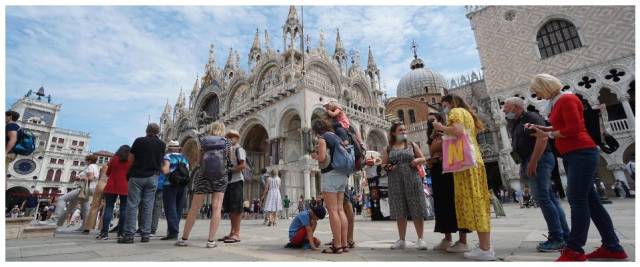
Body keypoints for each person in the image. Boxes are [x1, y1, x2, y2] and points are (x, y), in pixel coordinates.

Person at [528, 73, 628, 261]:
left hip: (581, 152)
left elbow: (574, 129)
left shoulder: (566, 100)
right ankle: (613, 247)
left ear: (545, 86)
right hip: (573, 153)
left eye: (537, 91)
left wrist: (548, 136)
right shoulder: (558, 102)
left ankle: (574, 249)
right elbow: (564, 126)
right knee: (592, 203)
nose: (538, 96)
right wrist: (544, 129)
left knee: (577, 200)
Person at [503, 96, 570, 250]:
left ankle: (557, 238)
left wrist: (533, 161)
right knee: (549, 199)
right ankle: (564, 235)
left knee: (544, 199)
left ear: (515, 107)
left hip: (539, 159)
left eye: (506, 107)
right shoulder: (516, 122)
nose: (504, 110)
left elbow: (542, 139)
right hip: (530, 160)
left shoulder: (531, 117)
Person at [433, 94, 494, 260]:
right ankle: (484, 246)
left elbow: (458, 131)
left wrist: (441, 127)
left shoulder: (456, 112)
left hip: (465, 164)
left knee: (474, 203)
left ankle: (485, 249)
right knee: (479, 202)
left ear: (450, 103)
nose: (443, 108)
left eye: (444, 105)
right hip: (473, 161)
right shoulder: (467, 113)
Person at [176, 122, 230, 248]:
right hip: (221, 176)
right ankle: (211, 241)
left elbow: (200, 160)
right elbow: (228, 159)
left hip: (203, 175)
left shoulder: (203, 140)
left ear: (211, 129)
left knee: (194, 208)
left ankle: (184, 238)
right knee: (217, 207)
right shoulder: (226, 142)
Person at [426, 112, 470, 252]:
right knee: (442, 204)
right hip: (437, 172)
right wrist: (431, 160)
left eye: (433, 120)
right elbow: (433, 153)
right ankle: (447, 238)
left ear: (440, 120)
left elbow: (456, 150)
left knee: (455, 203)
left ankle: (463, 241)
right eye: (428, 122)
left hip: (451, 172)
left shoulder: (449, 131)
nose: (431, 124)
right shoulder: (432, 138)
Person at [381, 121, 428, 251]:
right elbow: (383, 165)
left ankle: (420, 239)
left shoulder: (412, 145)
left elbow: (423, 158)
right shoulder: (388, 148)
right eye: (400, 130)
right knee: (399, 209)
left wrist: (417, 160)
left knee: (416, 207)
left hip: (412, 179)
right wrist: (389, 166)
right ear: (393, 133)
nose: (404, 132)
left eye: (404, 130)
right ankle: (401, 239)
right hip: (395, 180)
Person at [118, 123, 166, 244]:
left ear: (146, 131)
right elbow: (161, 161)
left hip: (137, 176)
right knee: (148, 206)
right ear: (158, 132)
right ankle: (145, 234)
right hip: (153, 177)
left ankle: (129, 235)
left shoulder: (139, 141)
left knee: (132, 205)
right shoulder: (162, 144)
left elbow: (130, 158)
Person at [310, 116, 350, 254]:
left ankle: (337, 245)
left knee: (332, 210)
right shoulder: (337, 137)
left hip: (330, 175)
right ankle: (344, 244)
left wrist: (314, 156)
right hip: (342, 175)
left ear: (317, 130)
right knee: (340, 210)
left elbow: (321, 158)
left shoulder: (323, 139)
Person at [48, 154, 99, 234]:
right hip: (90, 189)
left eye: (86, 160)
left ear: (89, 160)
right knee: (81, 208)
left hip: (83, 189)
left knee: (62, 199)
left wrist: (79, 177)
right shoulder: (96, 167)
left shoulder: (90, 167)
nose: (85, 161)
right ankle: (84, 227)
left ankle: (54, 220)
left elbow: (90, 178)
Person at [215, 130, 246, 243]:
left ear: (237, 138)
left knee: (236, 208)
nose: (229, 139)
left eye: (231, 137)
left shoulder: (239, 149)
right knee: (230, 208)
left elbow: (243, 166)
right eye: (227, 137)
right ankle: (232, 232)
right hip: (228, 181)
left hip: (237, 180)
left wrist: (229, 169)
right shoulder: (228, 151)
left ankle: (237, 233)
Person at [99, 145, 131, 240]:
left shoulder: (114, 158)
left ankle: (104, 233)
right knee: (124, 209)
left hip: (111, 185)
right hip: (125, 186)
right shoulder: (131, 160)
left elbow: (108, 172)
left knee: (109, 208)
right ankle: (121, 233)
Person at [160, 140, 190, 241]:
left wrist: (168, 174)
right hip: (182, 185)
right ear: (178, 148)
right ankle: (173, 231)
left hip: (170, 184)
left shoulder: (168, 157)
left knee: (170, 207)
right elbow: (187, 171)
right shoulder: (184, 158)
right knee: (178, 208)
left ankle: (173, 232)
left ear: (168, 148)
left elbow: (165, 169)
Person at [85, 165, 109, 233]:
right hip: (109, 184)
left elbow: (99, 177)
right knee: (107, 207)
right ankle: (102, 227)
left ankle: (88, 227)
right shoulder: (115, 166)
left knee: (94, 206)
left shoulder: (104, 167)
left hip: (101, 184)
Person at [5, 110, 20, 176]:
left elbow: (13, 139)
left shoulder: (11, 125)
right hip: (11, 153)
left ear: (10, 117)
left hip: (8, 153)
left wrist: (5, 152)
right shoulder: (15, 126)